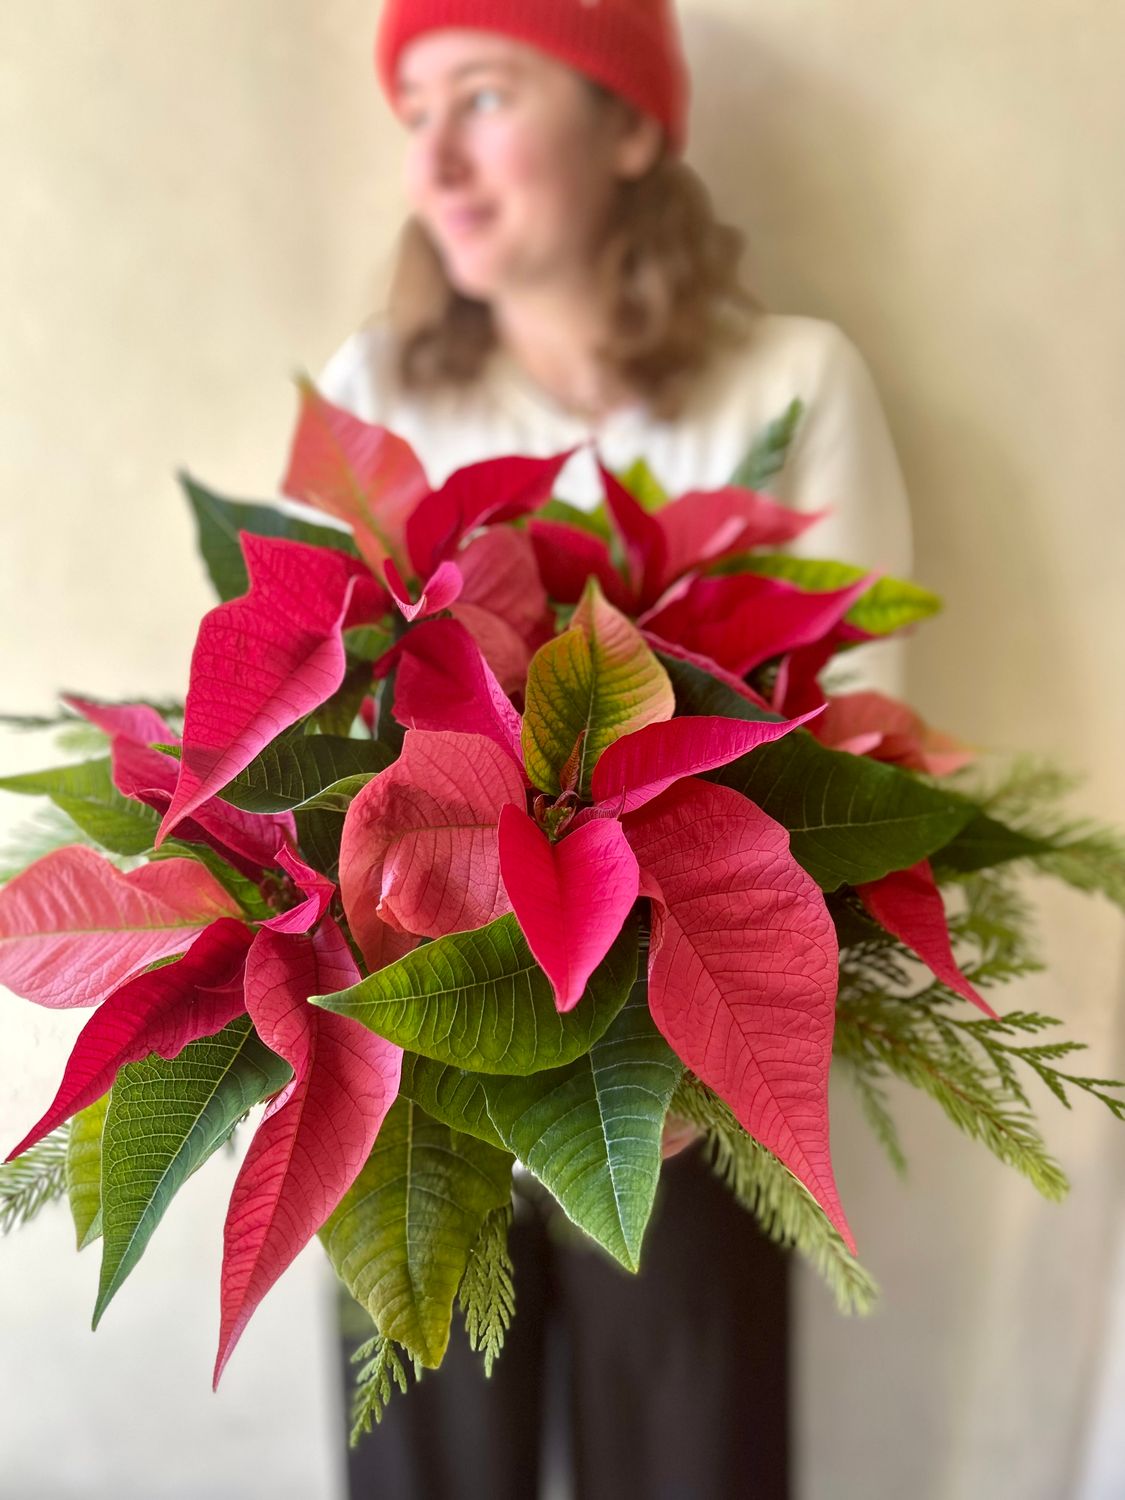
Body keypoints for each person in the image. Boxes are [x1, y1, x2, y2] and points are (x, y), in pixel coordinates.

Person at [318, 3, 914, 1496]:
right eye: (414, 115)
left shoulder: (786, 390)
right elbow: (328, 774)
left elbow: (851, 764)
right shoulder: (375, 399)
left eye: (484, 97)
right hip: (420, 1099)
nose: (436, 161)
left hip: (691, 1105)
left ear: (631, 126)